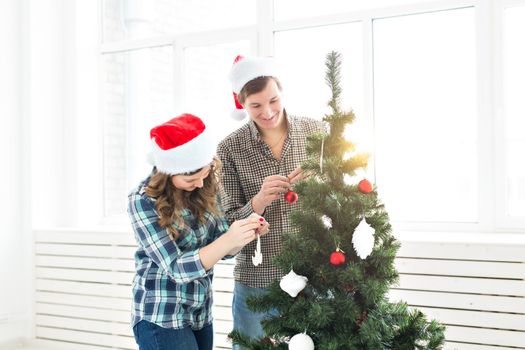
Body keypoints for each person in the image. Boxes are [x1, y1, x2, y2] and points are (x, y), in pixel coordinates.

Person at [128, 113, 269, 350]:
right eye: (191, 178)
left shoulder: (207, 187)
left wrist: (245, 233)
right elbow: (177, 268)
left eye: (205, 173)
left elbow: (224, 249)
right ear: (168, 171)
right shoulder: (142, 200)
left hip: (200, 311)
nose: (201, 184)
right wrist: (228, 240)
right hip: (162, 314)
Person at [217, 56, 324, 348]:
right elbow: (226, 224)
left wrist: (322, 179)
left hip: (315, 274)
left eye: (273, 100)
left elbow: (343, 198)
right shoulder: (229, 148)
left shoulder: (317, 133)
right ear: (242, 105)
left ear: (282, 92)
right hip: (257, 280)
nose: (267, 112)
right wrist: (259, 201)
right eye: (256, 106)